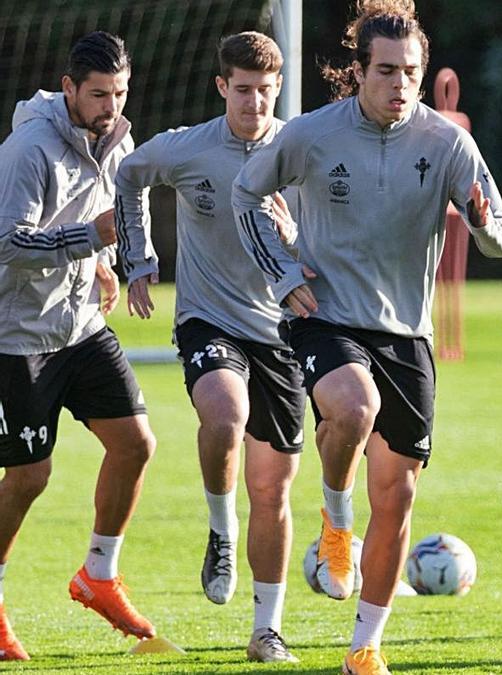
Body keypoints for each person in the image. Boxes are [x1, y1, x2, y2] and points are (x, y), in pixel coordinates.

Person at [231, 2, 502, 672]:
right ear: (358, 71)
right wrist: (279, 274)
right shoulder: (310, 135)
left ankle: (364, 648)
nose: (399, 84)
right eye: (385, 70)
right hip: (325, 315)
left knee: (398, 495)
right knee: (353, 408)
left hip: (405, 334)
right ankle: (336, 519)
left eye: (410, 71)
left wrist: (481, 222)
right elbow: (248, 196)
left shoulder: (446, 142)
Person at [114, 31, 308, 663]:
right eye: (243, 90)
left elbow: (333, 238)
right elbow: (129, 173)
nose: (254, 102)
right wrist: (137, 257)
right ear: (223, 87)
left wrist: (294, 230)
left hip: (282, 332)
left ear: (278, 90)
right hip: (207, 319)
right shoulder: (190, 147)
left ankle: (266, 629)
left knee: (274, 492)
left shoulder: (301, 149)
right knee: (225, 416)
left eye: (265, 91)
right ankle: (221, 530)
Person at [0, 31, 158, 660]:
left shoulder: (118, 139)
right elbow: (9, 245)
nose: (110, 106)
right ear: (68, 88)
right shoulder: (28, 149)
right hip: (18, 337)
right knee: (29, 476)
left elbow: (113, 216)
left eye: (119, 93)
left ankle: (98, 573)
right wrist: (86, 241)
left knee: (135, 443)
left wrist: (107, 260)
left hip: (81, 328)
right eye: (98, 95)